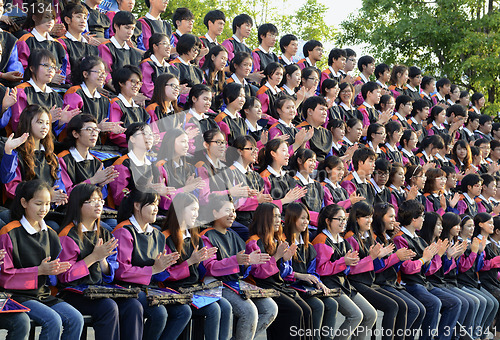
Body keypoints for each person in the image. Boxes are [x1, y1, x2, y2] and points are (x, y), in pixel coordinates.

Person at [0, 180, 84, 339]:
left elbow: (52, 277)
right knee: (53, 320)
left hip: (42, 293)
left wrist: (56, 271)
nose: (44, 209)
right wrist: (39, 271)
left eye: (47, 204)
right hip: (17, 295)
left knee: (76, 319)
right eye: (38, 203)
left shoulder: (51, 233)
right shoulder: (9, 232)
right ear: (24, 202)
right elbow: (5, 277)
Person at [58, 183, 143, 340]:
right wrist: (93, 258)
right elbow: (65, 276)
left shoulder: (105, 232)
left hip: (99, 290)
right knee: (108, 307)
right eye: (92, 201)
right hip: (74, 292)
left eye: (100, 200)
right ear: (78, 204)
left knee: (133, 305)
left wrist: (103, 260)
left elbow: (109, 275)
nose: (99, 204)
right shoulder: (67, 235)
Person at [113, 189, 192, 340]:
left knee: (184, 311)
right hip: (128, 289)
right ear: (137, 205)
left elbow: (160, 273)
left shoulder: (157, 234)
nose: (157, 208)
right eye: (152, 204)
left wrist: (165, 266)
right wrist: (153, 269)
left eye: (157, 203)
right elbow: (121, 271)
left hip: (151, 288)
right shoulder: (124, 230)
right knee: (159, 313)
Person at [200, 195, 278, 340]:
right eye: (228, 210)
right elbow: (210, 267)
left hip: (235, 283)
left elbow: (242, 267)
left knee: (270, 309)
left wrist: (248, 263)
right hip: (216, 284)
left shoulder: (234, 235)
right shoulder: (206, 236)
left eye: (234, 211)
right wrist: (236, 260)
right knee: (249, 311)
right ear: (215, 213)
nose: (233, 215)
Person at [161, 193, 232, 340]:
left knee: (225, 306)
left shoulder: (195, 238)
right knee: (213, 310)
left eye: (197, 210)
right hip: (172, 290)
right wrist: (190, 262)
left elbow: (198, 274)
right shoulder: (165, 237)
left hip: (193, 289)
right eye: (192, 209)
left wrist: (201, 262)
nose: (196, 214)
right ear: (180, 210)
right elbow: (165, 274)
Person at [393, 199, 461, 340]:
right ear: (413, 219)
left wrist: (434, 257)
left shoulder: (419, 239)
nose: (423, 219)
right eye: (422, 216)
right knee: (433, 303)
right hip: (409, 283)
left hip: (423, 282)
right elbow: (406, 269)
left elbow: (428, 271)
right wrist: (425, 258)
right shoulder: (400, 238)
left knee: (455, 302)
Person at [246, 202, 313, 340]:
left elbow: (284, 274)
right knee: (294, 311)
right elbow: (259, 273)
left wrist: (285, 260)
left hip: (277, 285)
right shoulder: (254, 242)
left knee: (306, 310)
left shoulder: (277, 240)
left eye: (278, 216)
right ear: (264, 217)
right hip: (261, 286)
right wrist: (277, 257)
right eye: (274, 216)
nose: (278, 220)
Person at [312, 204, 377, 340]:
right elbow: (320, 269)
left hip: (343, 283)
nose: (343, 222)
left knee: (370, 314)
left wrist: (352, 262)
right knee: (356, 315)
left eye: (344, 219)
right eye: (339, 219)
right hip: (329, 285)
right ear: (328, 221)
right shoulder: (321, 240)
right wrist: (344, 262)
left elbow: (348, 268)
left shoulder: (342, 240)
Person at [371, 202, 425, 340]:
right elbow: (376, 268)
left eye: (394, 216)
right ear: (379, 217)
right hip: (379, 283)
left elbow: (397, 266)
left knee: (420, 309)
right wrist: (397, 257)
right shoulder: (374, 238)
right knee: (407, 307)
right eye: (391, 216)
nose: (395, 220)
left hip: (392, 282)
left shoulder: (388, 237)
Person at [17, 1, 68, 86]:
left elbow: (64, 69)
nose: (50, 21)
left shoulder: (58, 44)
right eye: (46, 17)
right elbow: (22, 70)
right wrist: (49, 78)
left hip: (56, 89)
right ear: (34, 18)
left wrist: (59, 77)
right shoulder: (25, 40)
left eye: (52, 17)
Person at [64, 56, 116, 134]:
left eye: (104, 73)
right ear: (85, 74)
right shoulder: (75, 93)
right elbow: (70, 125)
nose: (102, 76)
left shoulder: (105, 99)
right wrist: (97, 127)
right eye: (98, 72)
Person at [107, 65, 151, 148]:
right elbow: (114, 135)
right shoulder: (116, 104)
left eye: (139, 83)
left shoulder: (141, 110)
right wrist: (137, 142)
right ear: (121, 83)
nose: (136, 86)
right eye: (133, 82)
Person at [98, 11, 143, 90]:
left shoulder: (134, 53)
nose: (130, 32)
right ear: (116, 26)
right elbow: (106, 74)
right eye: (127, 28)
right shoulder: (106, 47)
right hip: (113, 93)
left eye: (132, 29)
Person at [58, 2, 100, 81]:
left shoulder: (91, 48)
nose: (83, 21)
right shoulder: (60, 43)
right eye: (78, 17)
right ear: (67, 20)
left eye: (85, 18)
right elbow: (65, 73)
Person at [139, 33, 180, 100]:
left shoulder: (173, 68)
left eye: (169, 44)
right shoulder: (147, 64)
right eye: (164, 43)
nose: (169, 47)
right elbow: (147, 90)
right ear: (155, 46)